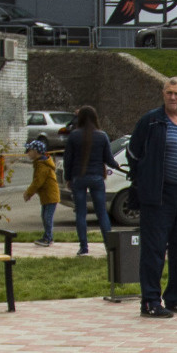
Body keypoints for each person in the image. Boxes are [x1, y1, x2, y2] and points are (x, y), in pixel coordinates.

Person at [127, 76, 177, 315]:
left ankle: (175, 297)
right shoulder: (152, 121)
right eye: (169, 92)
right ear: (163, 94)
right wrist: (146, 178)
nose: (173, 97)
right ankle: (150, 301)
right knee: (154, 248)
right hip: (158, 194)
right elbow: (134, 153)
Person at [63, 105, 114, 257]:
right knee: (102, 213)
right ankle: (109, 246)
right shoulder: (102, 135)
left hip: (79, 177)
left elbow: (68, 160)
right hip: (97, 177)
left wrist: (68, 178)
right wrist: (121, 166)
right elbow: (109, 159)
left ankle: (83, 247)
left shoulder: (74, 135)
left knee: (80, 213)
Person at [23, 129, 63, 248]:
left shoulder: (42, 166)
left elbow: (37, 182)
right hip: (46, 196)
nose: (27, 153)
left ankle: (48, 238)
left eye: (29, 151)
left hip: (51, 196)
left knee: (47, 217)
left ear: (36, 152)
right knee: (45, 216)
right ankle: (47, 236)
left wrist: (28, 193)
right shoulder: (39, 164)